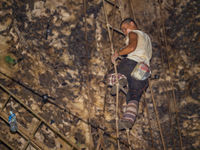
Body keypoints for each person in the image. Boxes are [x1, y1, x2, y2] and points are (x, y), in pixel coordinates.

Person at [107, 18, 152, 130]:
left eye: (124, 28)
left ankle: (121, 80)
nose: (124, 32)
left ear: (131, 24)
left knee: (109, 76)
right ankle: (128, 121)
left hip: (132, 63)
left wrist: (118, 53)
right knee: (133, 96)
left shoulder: (134, 33)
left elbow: (132, 47)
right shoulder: (147, 39)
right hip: (144, 70)